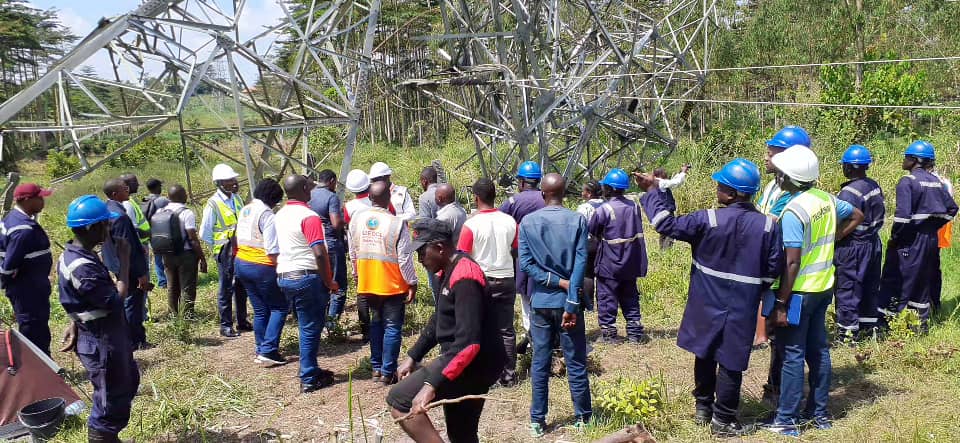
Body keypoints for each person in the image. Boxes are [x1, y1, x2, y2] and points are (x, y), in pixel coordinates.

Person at [637, 159, 782, 436]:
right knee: (731, 361)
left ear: (732, 193)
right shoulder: (768, 226)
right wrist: (754, 288)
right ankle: (723, 419)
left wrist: (653, 190)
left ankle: (704, 409)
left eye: (720, 186)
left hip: (705, 300)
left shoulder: (707, 220)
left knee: (704, 352)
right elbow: (773, 269)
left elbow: (664, 224)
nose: (717, 189)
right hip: (743, 304)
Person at [762, 146, 863, 437]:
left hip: (798, 293)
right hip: (823, 287)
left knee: (792, 354)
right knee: (818, 351)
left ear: (789, 177)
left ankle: (787, 419)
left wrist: (782, 302)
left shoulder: (794, 211)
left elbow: (792, 262)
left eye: (781, 174)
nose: (777, 177)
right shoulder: (826, 199)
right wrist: (833, 239)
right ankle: (818, 414)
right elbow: (856, 214)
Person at [388, 218, 506, 443]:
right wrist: (413, 356)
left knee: (400, 400)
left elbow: (468, 343)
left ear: (440, 248)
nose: (420, 259)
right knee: (462, 433)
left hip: (475, 364)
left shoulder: (465, 277)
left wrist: (430, 385)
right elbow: (439, 320)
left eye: (422, 252)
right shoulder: (449, 271)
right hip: (465, 359)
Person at [58, 195, 139, 443]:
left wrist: (75, 322)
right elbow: (115, 300)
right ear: (92, 227)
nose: (109, 228)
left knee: (125, 384)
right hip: (101, 338)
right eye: (105, 224)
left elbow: (79, 297)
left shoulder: (78, 254)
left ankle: (109, 437)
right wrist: (125, 260)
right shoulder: (82, 266)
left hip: (103, 332)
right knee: (110, 401)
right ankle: (101, 437)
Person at [518, 173, 591, 437]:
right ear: (564, 192)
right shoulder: (577, 220)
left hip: (540, 302)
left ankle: (537, 420)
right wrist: (571, 299)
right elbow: (581, 262)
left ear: (543, 194)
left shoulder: (528, 222)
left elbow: (526, 264)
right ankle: (583, 417)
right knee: (575, 360)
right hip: (568, 303)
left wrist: (553, 281)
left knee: (540, 361)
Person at [756, 125, 811, 406]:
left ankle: (780, 393)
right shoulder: (772, 186)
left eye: (772, 152)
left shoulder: (793, 194)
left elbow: (769, 223)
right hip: (772, 267)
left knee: (786, 337)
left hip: (788, 275)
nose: (766, 157)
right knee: (777, 333)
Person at [877, 141, 958, 331]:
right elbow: (952, 209)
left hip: (911, 240)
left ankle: (885, 325)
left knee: (895, 279)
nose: (903, 160)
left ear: (915, 160)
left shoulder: (908, 182)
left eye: (906, 157)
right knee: (922, 282)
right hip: (931, 240)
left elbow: (902, 218)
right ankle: (919, 326)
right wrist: (933, 226)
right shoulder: (936, 182)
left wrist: (896, 239)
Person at [275, 175, 340, 392]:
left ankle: (309, 368)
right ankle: (309, 377)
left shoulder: (280, 214)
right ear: (304, 188)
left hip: (285, 276)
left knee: (305, 325)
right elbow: (319, 253)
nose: (312, 190)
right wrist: (329, 281)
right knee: (310, 327)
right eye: (310, 187)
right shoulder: (309, 216)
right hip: (306, 277)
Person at [349, 181, 418, 386]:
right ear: (389, 198)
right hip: (392, 284)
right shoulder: (396, 223)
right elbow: (404, 258)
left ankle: (376, 368)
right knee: (392, 327)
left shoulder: (356, 220)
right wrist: (412, 282)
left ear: (369, 198)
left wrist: (357, 274)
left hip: (368, 282)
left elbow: (353, 252)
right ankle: (388, 372)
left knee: (376, 323)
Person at [457, 178, 520, 387]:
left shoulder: (471, 225)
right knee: (506, 329)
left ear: (476, 198)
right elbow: (516, 249)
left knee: (481, 329)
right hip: (506, 279)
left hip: (481, 281)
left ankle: (486, 374)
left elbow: (462, 257)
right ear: (495, 196)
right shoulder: (510, 221)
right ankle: (508, 374)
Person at [590, 168, 650, 344]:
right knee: (630, 295)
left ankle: (609, 334)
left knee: (607, 297)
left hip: (609, 262)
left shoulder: (604, 209)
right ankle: (635, 333)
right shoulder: (634, 206)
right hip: (631, 260)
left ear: (609, 188)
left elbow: (593, 230)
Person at [834, 145, 885, 341]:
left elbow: (841, 221)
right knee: (869, 286)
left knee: (848, 288)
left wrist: (837, 237)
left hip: (853, 246)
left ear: (849, 167)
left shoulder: (848, 192)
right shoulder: (873, 185)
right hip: (873, 243)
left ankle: (847, 334)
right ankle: (868, 327)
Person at [235, 178, 287, 365]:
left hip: (242, 262)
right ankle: (269, 350)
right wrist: (281, 269)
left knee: (260, 309)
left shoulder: (246, 209)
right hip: (261, 265)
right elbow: (272, 249)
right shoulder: (267, 215)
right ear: (272, 199)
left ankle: (260, 348)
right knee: (279, 307)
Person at [0, 183, 54, 355]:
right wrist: (9, 281)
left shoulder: (13, 218)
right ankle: (40, 364)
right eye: (40, 198)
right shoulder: (23, 230)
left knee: (35, 326)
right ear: (27, 200)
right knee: (34, 330)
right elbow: (9, 266)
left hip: (30, 286)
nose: (43, 201)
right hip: (28, 290)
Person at [200, 163, 251, 338]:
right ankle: (226, 325)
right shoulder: (213, 204)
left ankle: (242, 320)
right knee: (226, 287)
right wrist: (219, 248)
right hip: (225, 250)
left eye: (234, 179)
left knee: (241, 285)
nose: (235, 182)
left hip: (241, 247)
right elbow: (204, 233)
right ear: (220, 183)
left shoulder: (236, 199)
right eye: (230, 180)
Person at [500, 160, 545, 353]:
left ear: (521, 182)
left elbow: (499, 221)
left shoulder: (513, 201)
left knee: (526, 297)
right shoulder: (546, 198)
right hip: (547, 257)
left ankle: (532, 337)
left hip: (523, 257)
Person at [102, 178, 152, 350]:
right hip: (128, 268)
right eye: (124, 188)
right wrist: (141, 273)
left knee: (128, 302)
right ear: (115, 194)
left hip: (116, 265)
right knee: (133, 304)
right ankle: (135, 340)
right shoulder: (120, 217)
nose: (128, 190)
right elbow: (127, 248)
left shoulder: (107, 210)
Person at [308, 169, 348, 334]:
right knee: (338, 285)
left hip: (313, 244)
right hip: (331, 244)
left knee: (321, 283)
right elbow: (336, 223)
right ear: (332, 181)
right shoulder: (331, 197)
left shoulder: (309, 195)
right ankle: (331, 326)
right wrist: (346, 220)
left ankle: (318, 322)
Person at [160, 185, 207, 317]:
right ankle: (187, 316)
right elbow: (192, 238)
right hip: (185, 255)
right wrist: (202, 258)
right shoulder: (186, 213)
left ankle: (173, 314)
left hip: (167, 254)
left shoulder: (161, 211)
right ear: (181, 196)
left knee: (171, 286)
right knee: (187, 286)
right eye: (185, 194)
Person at [343, 168, 375, 342]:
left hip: (359, 252)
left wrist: (353, 263)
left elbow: (349, 233)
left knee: (362, 292)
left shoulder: (348, 207)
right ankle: (379, 326)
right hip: (379, 251)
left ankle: (366, 330)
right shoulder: (377, 200)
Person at [576, 180, 604, 307]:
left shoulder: (584, 208)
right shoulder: (606, 204)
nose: (581, 193)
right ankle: (602, 301)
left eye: (583, 190)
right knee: (602, 273)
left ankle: (588, 303)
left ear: (589, 193)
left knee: (587, 274)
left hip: (589, 243)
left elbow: (579, 226)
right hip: (604, 243)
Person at [652, 164, 691, 250]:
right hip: (666, 212)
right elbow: (676, 182)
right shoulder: (661, 182)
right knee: (671, 230)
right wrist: (683, 172)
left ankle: (662, 251)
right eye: (664, 172)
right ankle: (667, 251)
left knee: (664, 232)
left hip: (660, 212)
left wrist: (680, 173)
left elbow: (672, 182)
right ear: (661, 174)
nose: (666, 173)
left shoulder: (656, 182)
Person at [933, 167, 954, 312]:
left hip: (930, 232)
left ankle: (931, 304)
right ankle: (935, 304)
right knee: (934, 267)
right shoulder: (944, 181)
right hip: (940, 231)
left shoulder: (934, 182)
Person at [142, 178, 168, 289]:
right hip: (163, 232)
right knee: (168, 255)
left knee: (157, 257)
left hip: (150, 233)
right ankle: (171, 280)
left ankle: (162, 282)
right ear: (157, 187)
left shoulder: (145, 200)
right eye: (160, 186)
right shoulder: (163, 201)